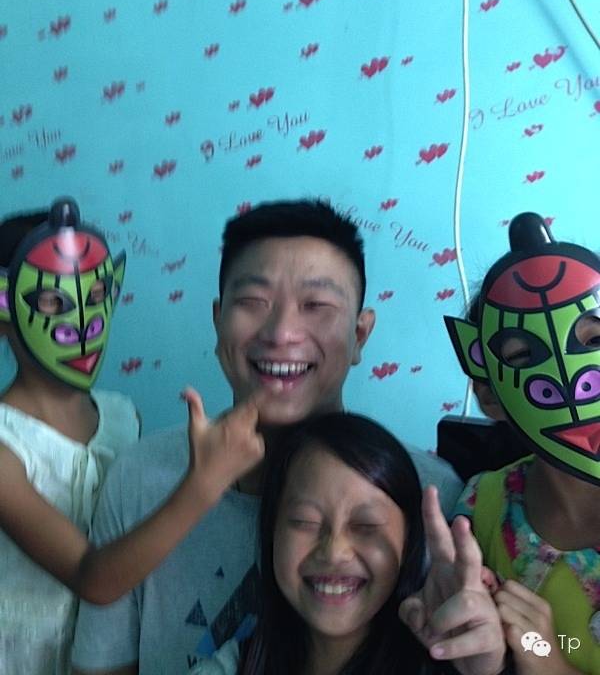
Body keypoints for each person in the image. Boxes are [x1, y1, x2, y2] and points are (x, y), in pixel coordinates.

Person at [72, 199, 464, 675]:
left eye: (316, 306)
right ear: (218, 320)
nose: (281, 333)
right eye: (253, 303)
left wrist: (526, 645)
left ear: (360, 335)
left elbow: (540, 645)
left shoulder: (432, 497)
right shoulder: (140, 479)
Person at [0, 199, 268, 675]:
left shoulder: (123, 417)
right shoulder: (5, 447)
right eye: (52, 301)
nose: (83, 321)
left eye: (97, 292)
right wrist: (203, 485)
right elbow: (92, 578)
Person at [191, 412, 507, 675]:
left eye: (366, 526)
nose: (334, 551)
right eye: (305, 521)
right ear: (272, 531)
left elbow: (538, 645)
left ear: (408, 542)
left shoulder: (456, 659)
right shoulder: (233, 665)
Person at [445, 212, 600, 675]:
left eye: (595, 339)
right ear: (489, 395)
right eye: (522, 355)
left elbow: (539, 654)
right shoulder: (484, 510)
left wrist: (550, 663)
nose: (570, 382)